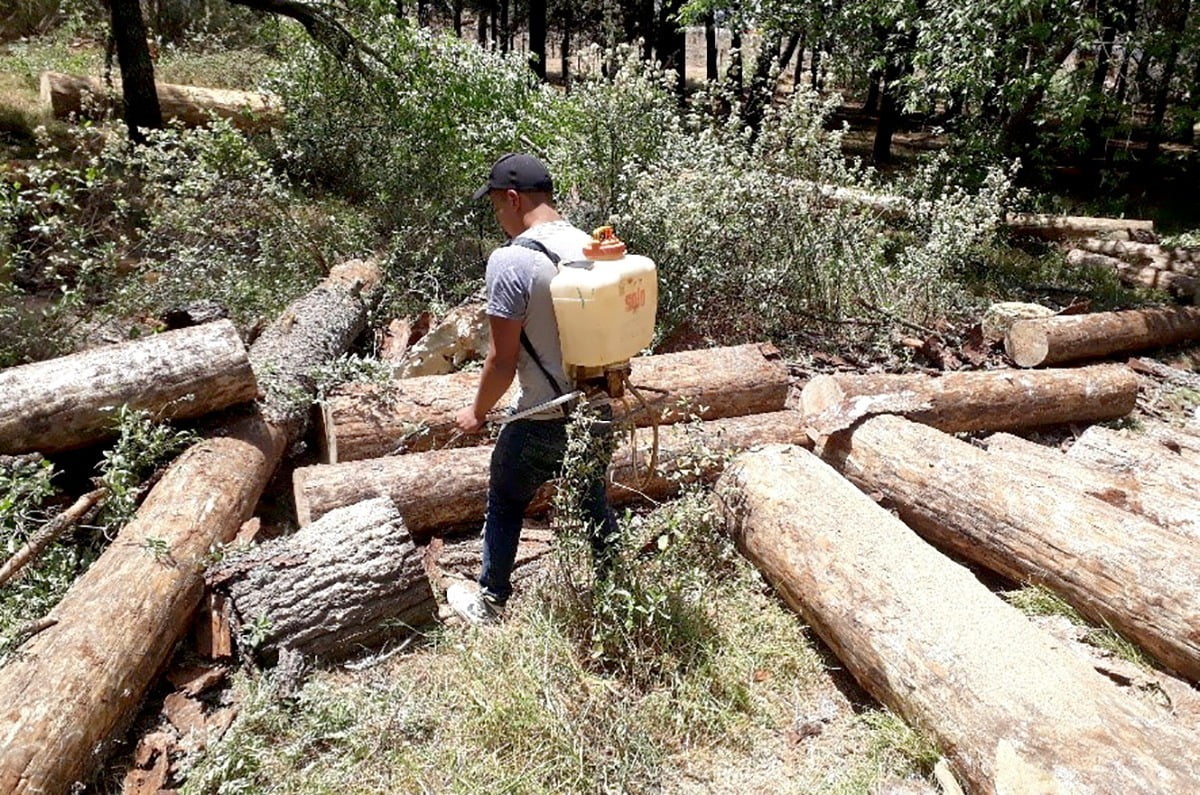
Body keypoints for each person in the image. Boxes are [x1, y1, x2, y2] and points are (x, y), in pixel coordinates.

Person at [447, 153, 619, 625]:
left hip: (541, 417)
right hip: (597, 409)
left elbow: (502, 360)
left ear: (513, 198)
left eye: (497, 206)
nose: (498, 216)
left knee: (505, 500)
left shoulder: (511, 261)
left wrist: (476, 411)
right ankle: (616, 591)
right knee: (591, 499)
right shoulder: (590, 246)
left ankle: (491, 602)